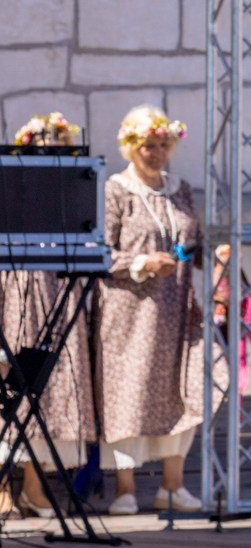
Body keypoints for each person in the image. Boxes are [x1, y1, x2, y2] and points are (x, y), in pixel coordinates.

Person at [98, 105, 203, 516]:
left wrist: (208, 255)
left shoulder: (181, 189)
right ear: (130, 147)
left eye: (162, 145)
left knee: (183, 386)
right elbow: (101, 252)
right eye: (147, 146)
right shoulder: (116, 190)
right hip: (130, 310)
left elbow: (194, 239)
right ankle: (125, 489)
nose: (156, 153)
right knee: (129, 392)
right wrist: (142, 263)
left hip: (176, 307)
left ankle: (172, 485)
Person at [1, 112, 96, 517]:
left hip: (56, 295)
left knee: (49, 391)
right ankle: (4, 488)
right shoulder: (9, 192)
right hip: (12, 295)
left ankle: (36, 487)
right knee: (7, 391)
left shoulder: (69, 199)